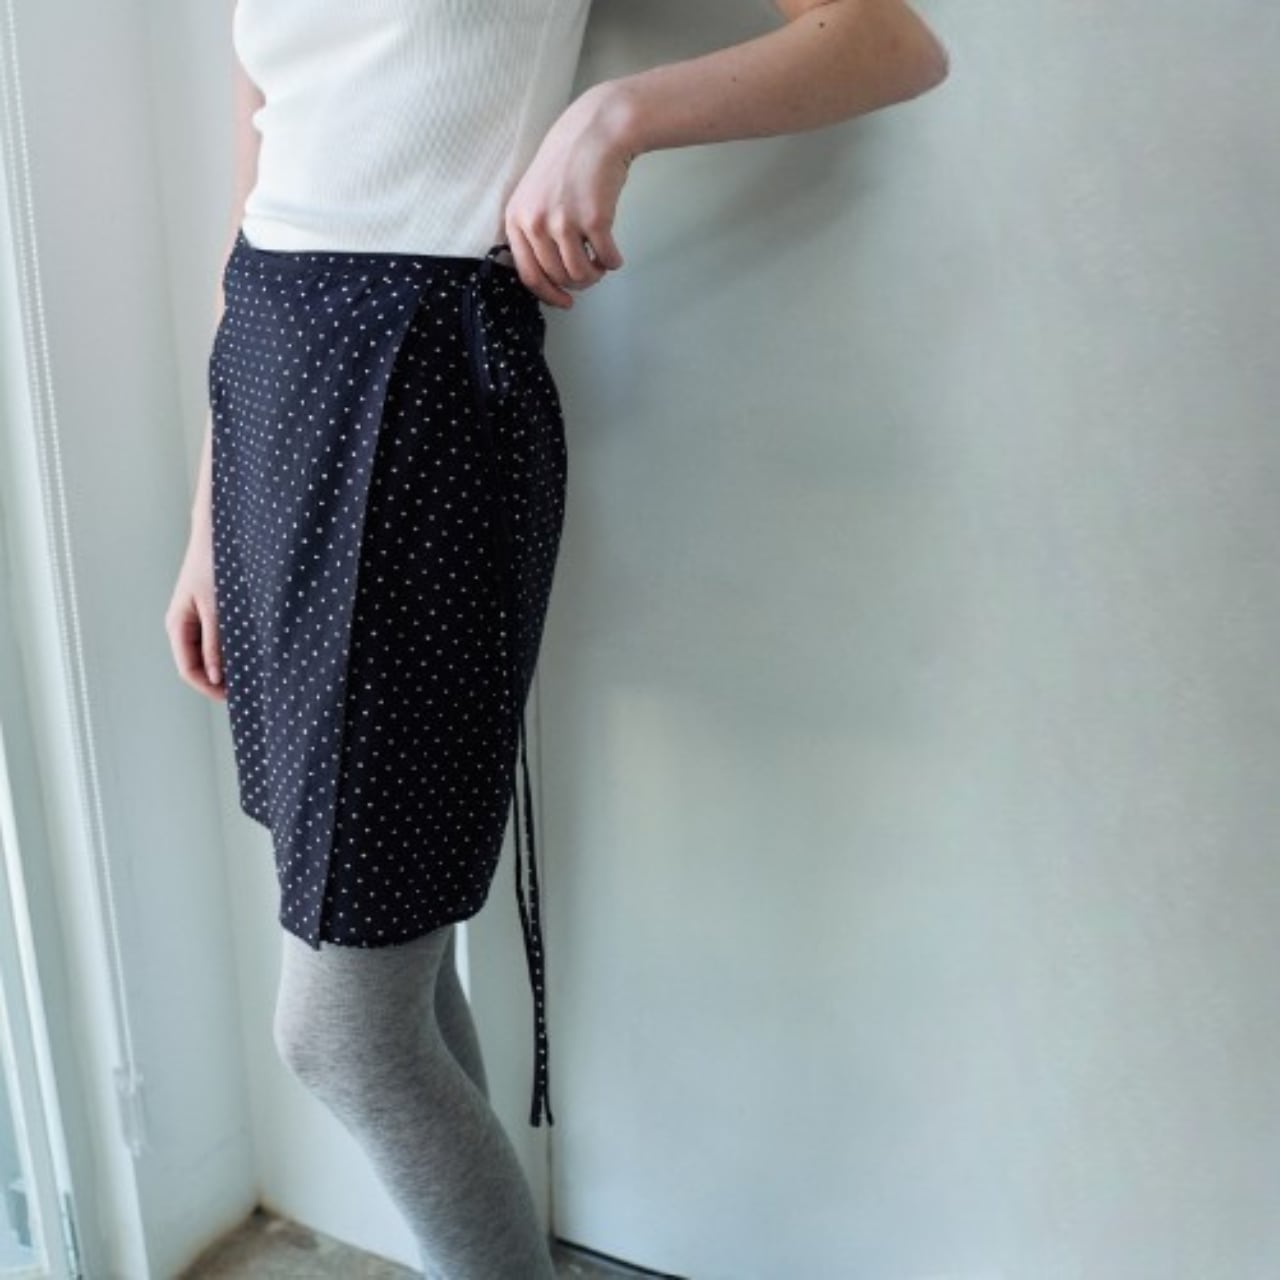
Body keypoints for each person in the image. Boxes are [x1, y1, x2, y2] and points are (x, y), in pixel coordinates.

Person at [163, 0, 949, 1275]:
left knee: (342, 1032)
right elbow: (260, 189)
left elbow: (887, 39)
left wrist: (613, 113)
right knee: (394, 963)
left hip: (418, 403)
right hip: (271, 391)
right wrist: (208, 520)